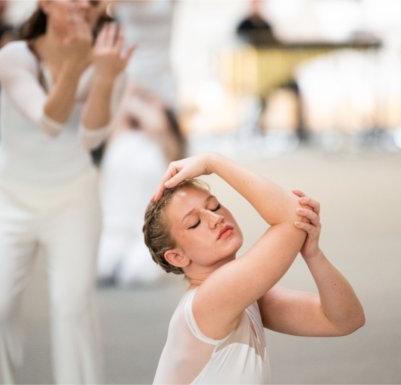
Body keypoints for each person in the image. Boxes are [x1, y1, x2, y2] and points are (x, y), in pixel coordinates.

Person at [0, 0, 133, 383]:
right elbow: (49, 121)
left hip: (73, 198)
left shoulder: (109, 61)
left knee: (73, 310)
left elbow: (91, 136)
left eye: (93, 2)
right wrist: (76, 62)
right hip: (8, 198)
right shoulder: (12, 56)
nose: (84, 7)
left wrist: (104, 76)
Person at [145, 153, 365, 383]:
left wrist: (313, 254)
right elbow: (293, 217)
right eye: (194, 223)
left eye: (215, 205)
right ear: (177, 257)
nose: (214, 218)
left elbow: (345, 320)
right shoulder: (210, 299)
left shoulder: (244, 300)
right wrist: (213, 162)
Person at [98, 89, 185, 286]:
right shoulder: (119, 135)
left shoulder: (164, 140)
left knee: (136, 273)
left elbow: (156, 124)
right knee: (102, 267)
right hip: (116, 228)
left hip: (146, 231)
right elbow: (118, 110)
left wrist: (146, 101)